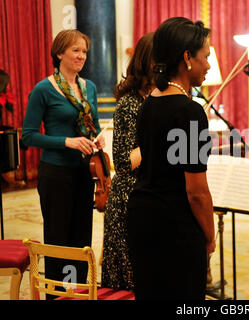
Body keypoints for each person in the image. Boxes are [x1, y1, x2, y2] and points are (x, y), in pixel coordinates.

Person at [126, 17, 215, 300]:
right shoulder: (190, 112)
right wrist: (210, 235)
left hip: (142, 218)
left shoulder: (149, 102)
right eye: (206, 57)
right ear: (187, 57)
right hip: (174, 225)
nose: (209, 66)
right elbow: (196, 191)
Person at [22, 29, 105, 299]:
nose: (81, 56)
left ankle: (77, 294)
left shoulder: (88, 87)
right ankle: (57, 296)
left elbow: (93, 125)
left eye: (84, 51)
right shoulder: (43, 89)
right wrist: (67, 142)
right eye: (75, 51)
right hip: (55, 174)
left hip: (83, 172)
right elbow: (29, 135)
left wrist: (99, 138)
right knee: (58, 239)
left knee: (81, 240)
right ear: (59, 53)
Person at [101, 33, 155, 291]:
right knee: (128, 281)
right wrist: (158, 136)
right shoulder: (130, 103)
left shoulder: (154, 100)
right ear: (150, 62)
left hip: (148, 194)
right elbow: (122, 162)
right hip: (128, 199)